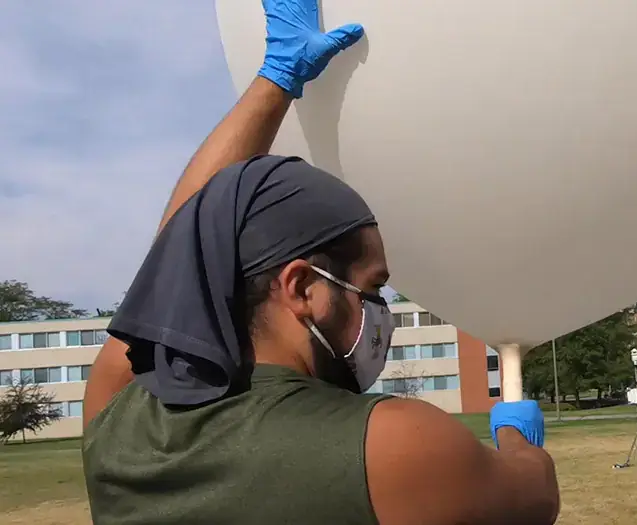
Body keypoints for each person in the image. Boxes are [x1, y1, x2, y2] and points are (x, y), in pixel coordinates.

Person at [81, 1, 560, 524]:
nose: (381, 312)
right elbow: (534, 494)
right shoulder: (392, 445)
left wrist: (277, 76)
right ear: (304, 287)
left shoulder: (118, 425)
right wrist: (516, 436)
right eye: (371, 287)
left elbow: (175, 260)